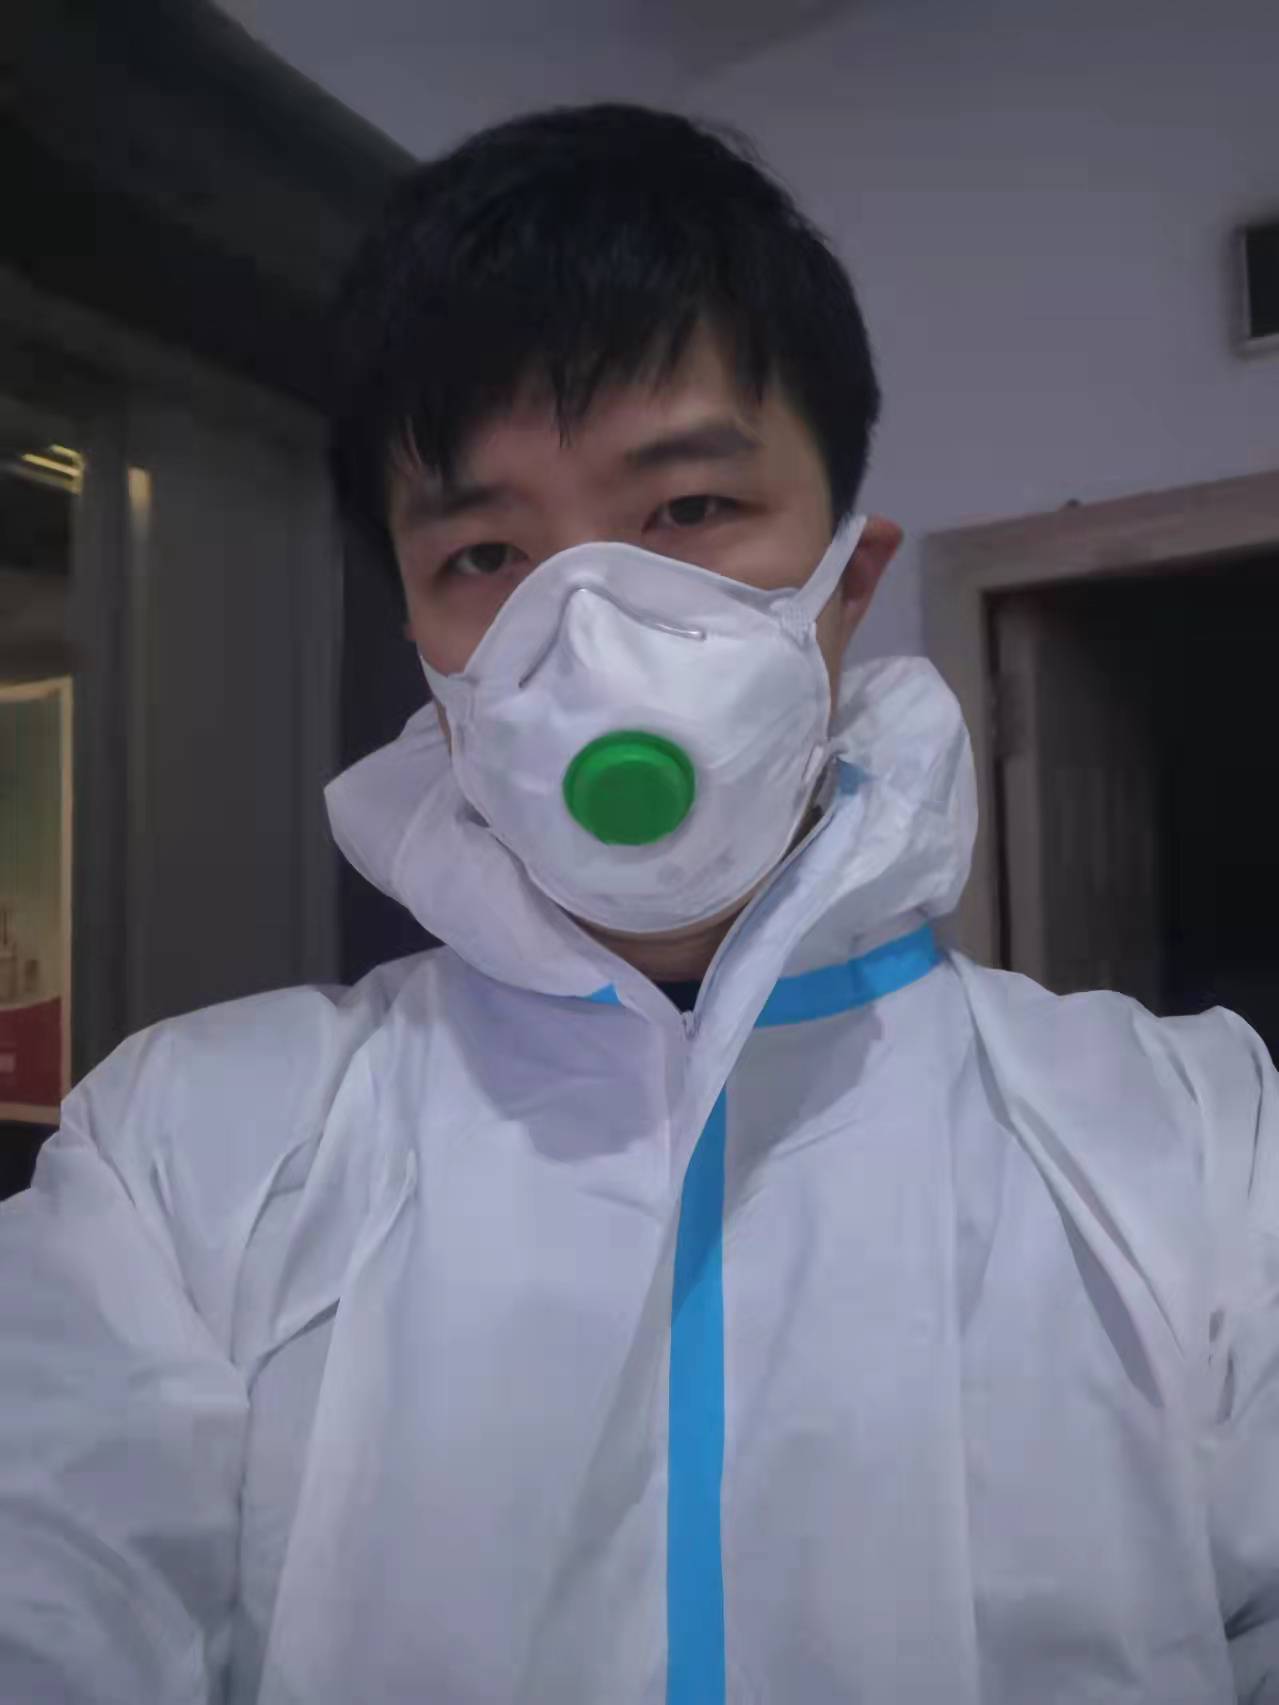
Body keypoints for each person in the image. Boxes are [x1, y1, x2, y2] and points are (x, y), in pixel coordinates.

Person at [0, 103, 1276, 1705]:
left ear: (846, 582)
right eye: (484, 554)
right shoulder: (188, 1161)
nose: (588, 634)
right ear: (422, 644)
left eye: (686, 514)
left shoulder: (1200, 1150)